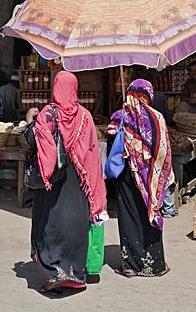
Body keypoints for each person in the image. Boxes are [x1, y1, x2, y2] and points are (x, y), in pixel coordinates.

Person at [24, 71, 106, 293]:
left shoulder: (48, 114)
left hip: (54, 180)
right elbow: (91, 151)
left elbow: (37, 143)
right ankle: (76, 274)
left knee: (50, 224)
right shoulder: (85, 116)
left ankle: (55, 275)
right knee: (75, 224)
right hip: (78, 180)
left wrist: (30, 121)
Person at [106, 79, 174, 277]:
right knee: (149, 214)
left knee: (129, 217)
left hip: (127, 177)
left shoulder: (121, 116)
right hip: (151, 177)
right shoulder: (158, 117)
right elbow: (165, 150)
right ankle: (155, 264)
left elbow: (111, 144)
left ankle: (133, 265)